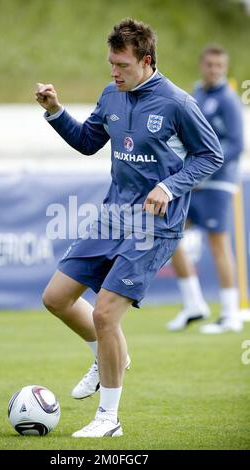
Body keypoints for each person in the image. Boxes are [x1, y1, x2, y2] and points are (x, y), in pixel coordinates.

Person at [36, 19, 223, 437]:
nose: (113, 72)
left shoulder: (177, 103)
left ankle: (109, 420)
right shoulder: (111, 95)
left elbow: (210, 155)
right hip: (111, 217)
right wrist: (55, 112)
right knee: (56, 298)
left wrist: (168, 186)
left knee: (105, 315)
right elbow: (87, 142)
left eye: (121, 65)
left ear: (146, 61)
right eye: (110, 63)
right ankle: (109, 358)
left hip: (154, 228)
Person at [167, 45, 244, 334]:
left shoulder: (228, 100)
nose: (214, 70)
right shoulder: (197, 94)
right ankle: (193, 304)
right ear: (202, 65)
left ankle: (230, 314)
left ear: (225, 68)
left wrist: (204, 168)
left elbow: (237, 144)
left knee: (218, 244)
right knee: (169, 234)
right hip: (192, 183)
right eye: (210, 65)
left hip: (217, 183)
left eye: (219, 66)